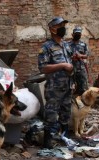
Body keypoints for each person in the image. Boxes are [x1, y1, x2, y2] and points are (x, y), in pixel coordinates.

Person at [38, 17, 74, 149]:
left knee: (66, 112)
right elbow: (43, 68)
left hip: (68, 85)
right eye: (60, 26)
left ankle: (64, 136)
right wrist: (63, 65)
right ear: (53, 29)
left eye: (64, 25)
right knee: (51, 113)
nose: (63, 28)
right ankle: (47, 141)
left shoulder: (66, 44)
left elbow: (70, 62)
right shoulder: (46, 47)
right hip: (54, 87)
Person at [68, 27, 90, 96]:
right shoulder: (67, 44)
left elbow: (86, 55)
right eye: (76, 34)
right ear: (72, 34)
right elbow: (64, 56)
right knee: (71, 87)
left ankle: (83, 101)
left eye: (79, 34)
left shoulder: (83, 44)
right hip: (70, 68)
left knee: (83, 87)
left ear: (81, 35)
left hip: (81, 68)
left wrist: (80, 56)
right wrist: (72, 57)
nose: (77, 35)